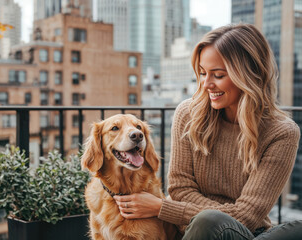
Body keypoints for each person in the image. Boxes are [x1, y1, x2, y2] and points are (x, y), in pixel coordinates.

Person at [113, 23, 302, 239]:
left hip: (244, 233)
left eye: (218, 75)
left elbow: (246, 216)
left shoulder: (282, 133)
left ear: (249, 76)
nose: (206, 84)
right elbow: (180, 189)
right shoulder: (188, 114)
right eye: (202, 73)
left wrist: (163, 208)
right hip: (194, 231)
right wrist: (208, 214)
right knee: (206, 221)